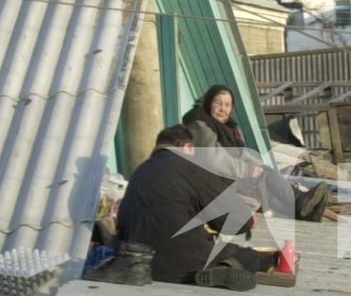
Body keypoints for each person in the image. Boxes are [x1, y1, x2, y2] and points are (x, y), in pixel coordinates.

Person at [114, 125, 259, 283]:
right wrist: (249, 219)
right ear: (187, 146)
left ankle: (216, 271)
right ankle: (219, 269)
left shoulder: (140, 171)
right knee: (250, 257)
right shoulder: (191, 167)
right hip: (182, 264)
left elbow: (122, 220)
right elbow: (233, 221)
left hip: (137, 265)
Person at [180, 84, 331, 221]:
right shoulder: (199, 123)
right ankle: (301, 203)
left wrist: (257, 166)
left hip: (224, 177)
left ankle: (305, 210)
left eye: (227, 105)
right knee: (261, 182)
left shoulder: (226, 127)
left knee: (265, 176)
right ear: (208, 103)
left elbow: (240, 153)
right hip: (207, 182)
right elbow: (213, 159)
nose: (222, 109)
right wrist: (248, 170)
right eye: (218, 103)